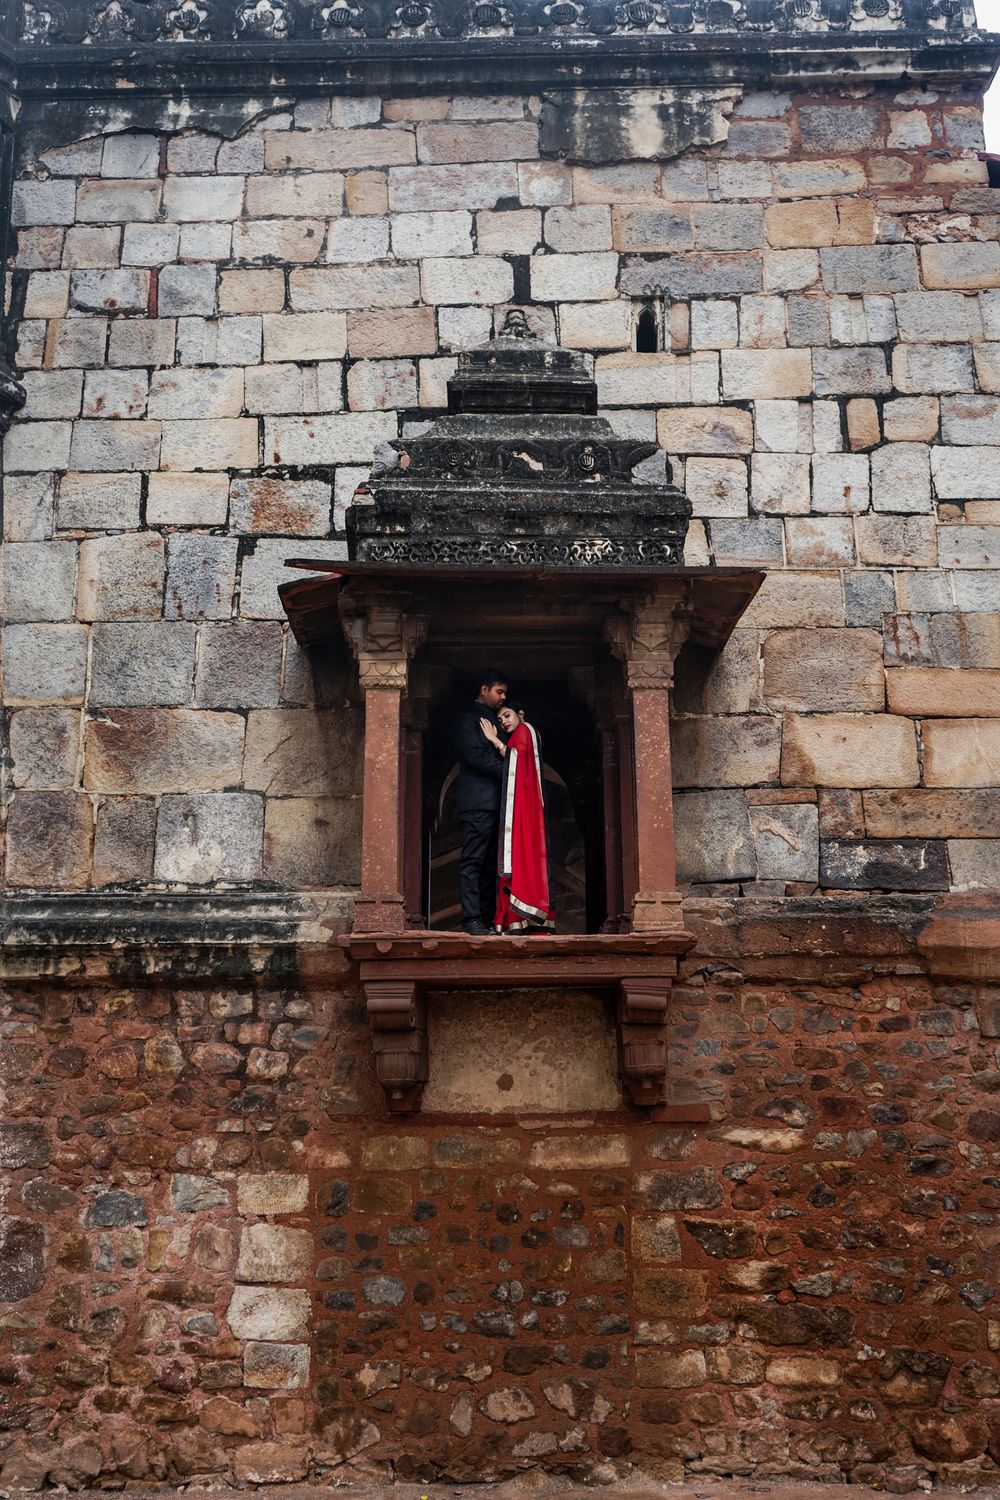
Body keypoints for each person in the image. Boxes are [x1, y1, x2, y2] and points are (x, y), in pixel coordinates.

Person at [480, 703, 555, 934]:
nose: (504, 722)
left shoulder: (525, 730)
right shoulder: (518, 736)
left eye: (507, 715)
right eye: (500, 719)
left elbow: (517, 759)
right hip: (523, 804)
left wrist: (494, 740)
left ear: (520, 714)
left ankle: (519, 919)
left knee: (520, 854)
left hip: (524, 806)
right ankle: (517, 920)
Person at [454, 669, 509, 936]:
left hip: (497, 803)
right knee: (473, 861)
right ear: (484, 689)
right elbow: (474, 756)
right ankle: (472, 919)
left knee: (490, 864)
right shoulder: (469, 718)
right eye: (499, 691)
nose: (503, 697)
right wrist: (510, 772)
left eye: (505, 693)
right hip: (477, 802)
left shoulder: (494, 720)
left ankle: (487, 920)